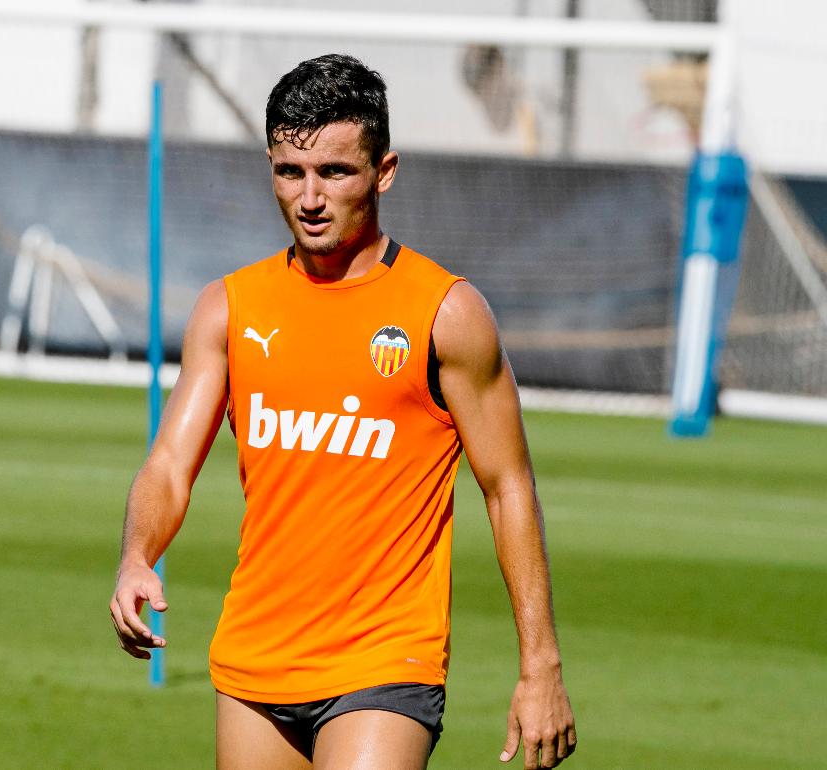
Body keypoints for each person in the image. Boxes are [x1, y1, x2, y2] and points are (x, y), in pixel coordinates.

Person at [109, 54, 576, 769]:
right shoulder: (230, 308)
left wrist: (540, 666)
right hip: (256, 655)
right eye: (290, 172)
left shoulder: (445, 314)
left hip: (386, 660)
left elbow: (508, 486)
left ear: (384, 172)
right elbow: (171, 464)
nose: (310, 197)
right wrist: (138, 556)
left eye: (335, 172)